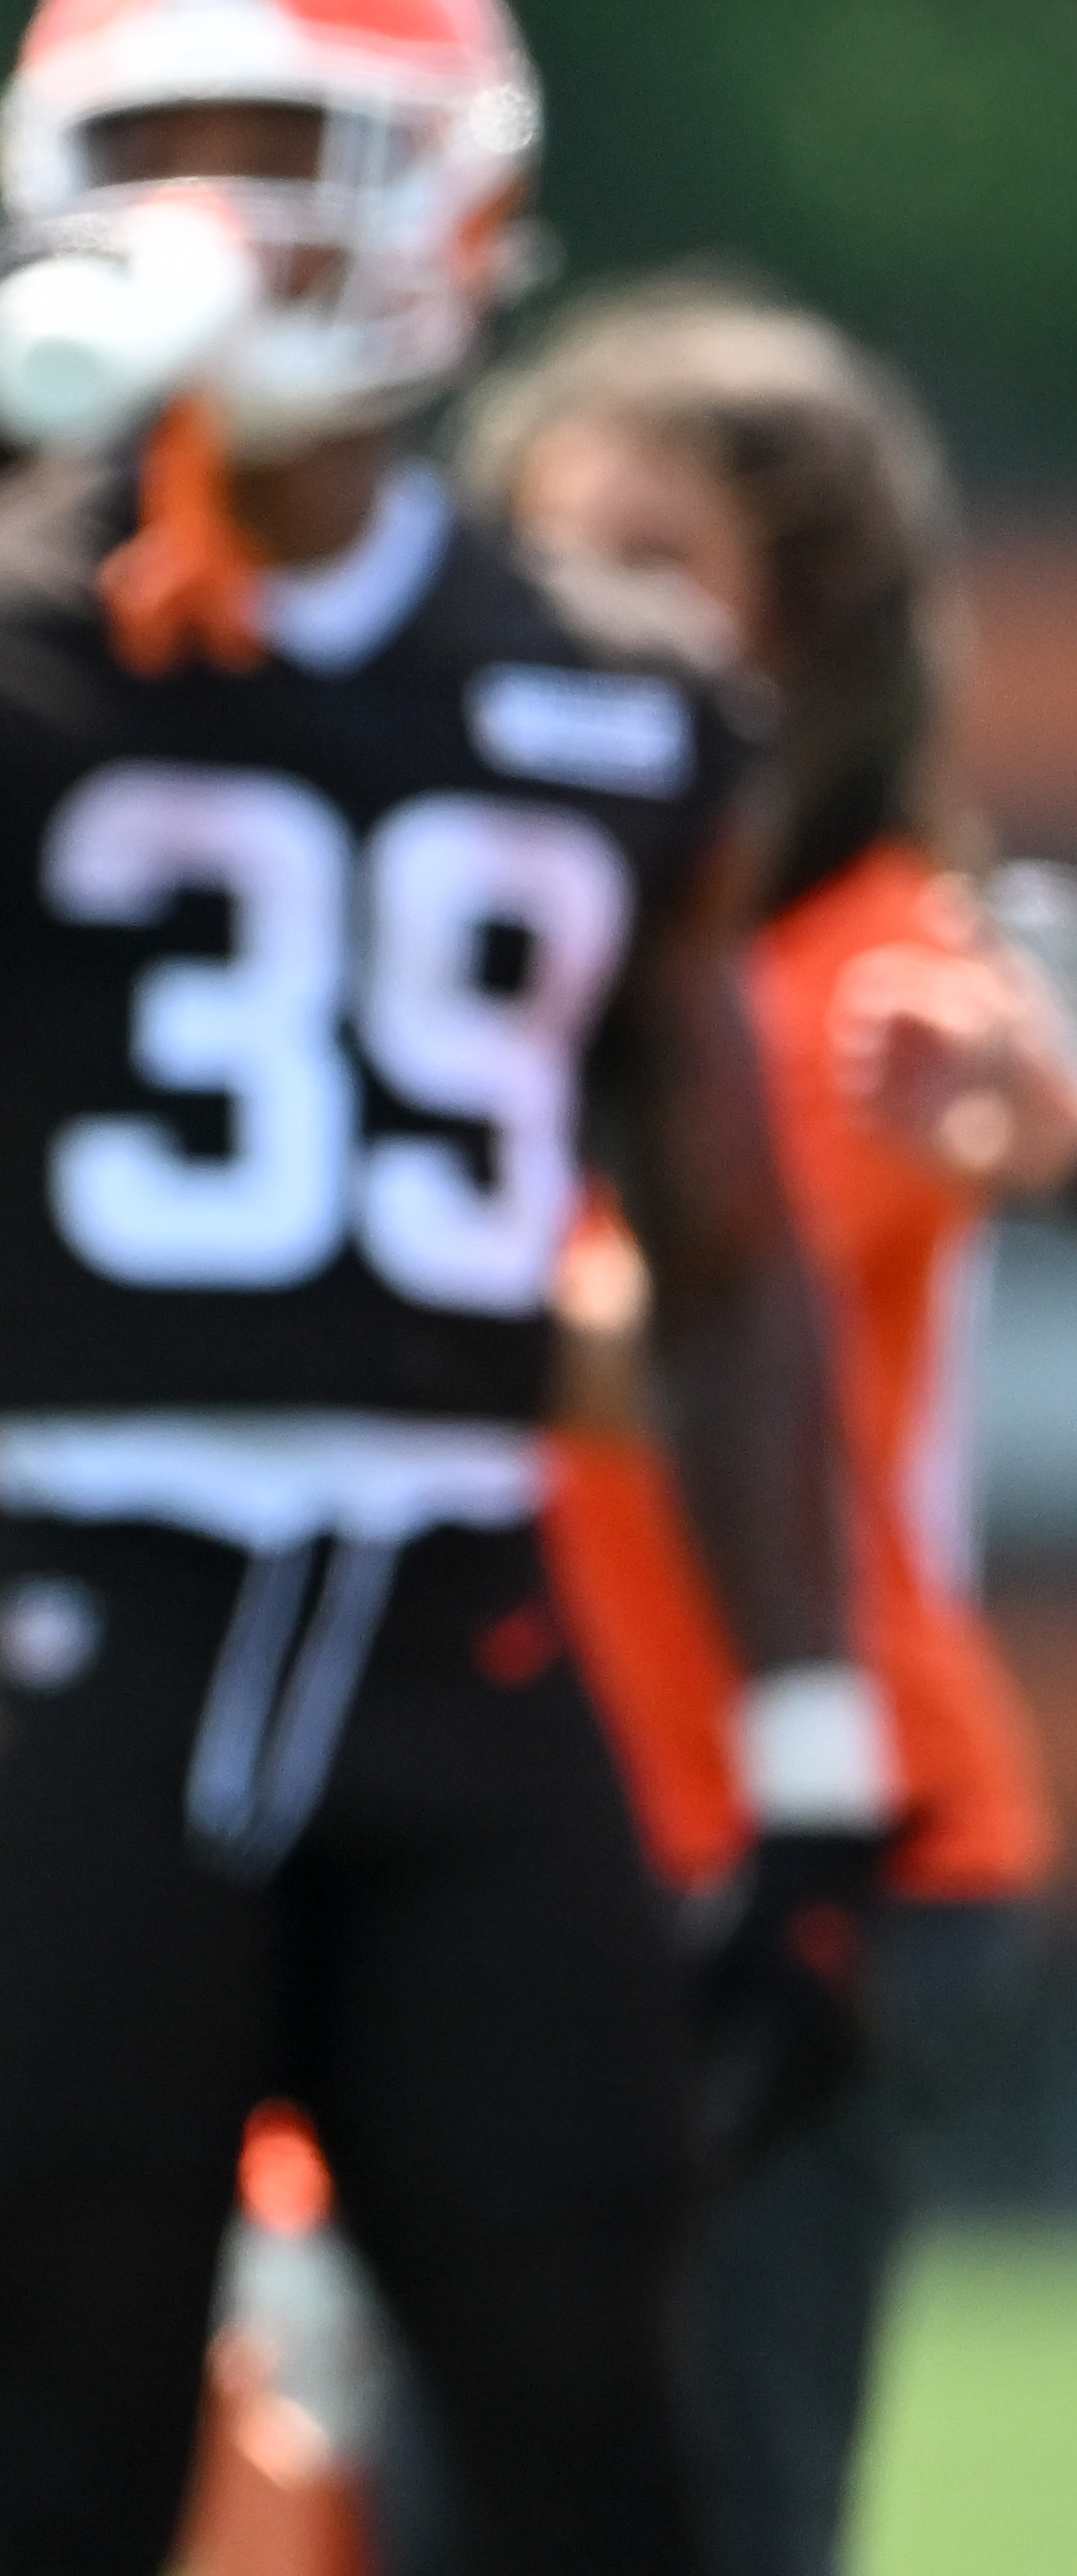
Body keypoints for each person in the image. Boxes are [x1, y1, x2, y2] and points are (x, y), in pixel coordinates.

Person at [0, 0, 873, 2576]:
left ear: (456, 193)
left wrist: (812, 1742)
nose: (236, 219)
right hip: (75, 1623)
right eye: (175, 148)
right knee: (76, 2447)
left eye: (301, 144)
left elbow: (721, 1244)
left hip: (470, 1630)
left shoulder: (612, 689)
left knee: (602, 2429)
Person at [444, 283, 1063, 2576]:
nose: (578, 613)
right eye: (541, 550)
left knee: (709, 2509)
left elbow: (689, 1310)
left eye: (650, 557)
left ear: (796, 631)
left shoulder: (860, 966)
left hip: (803, 1848)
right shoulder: (504, 943)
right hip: (519, 1827)